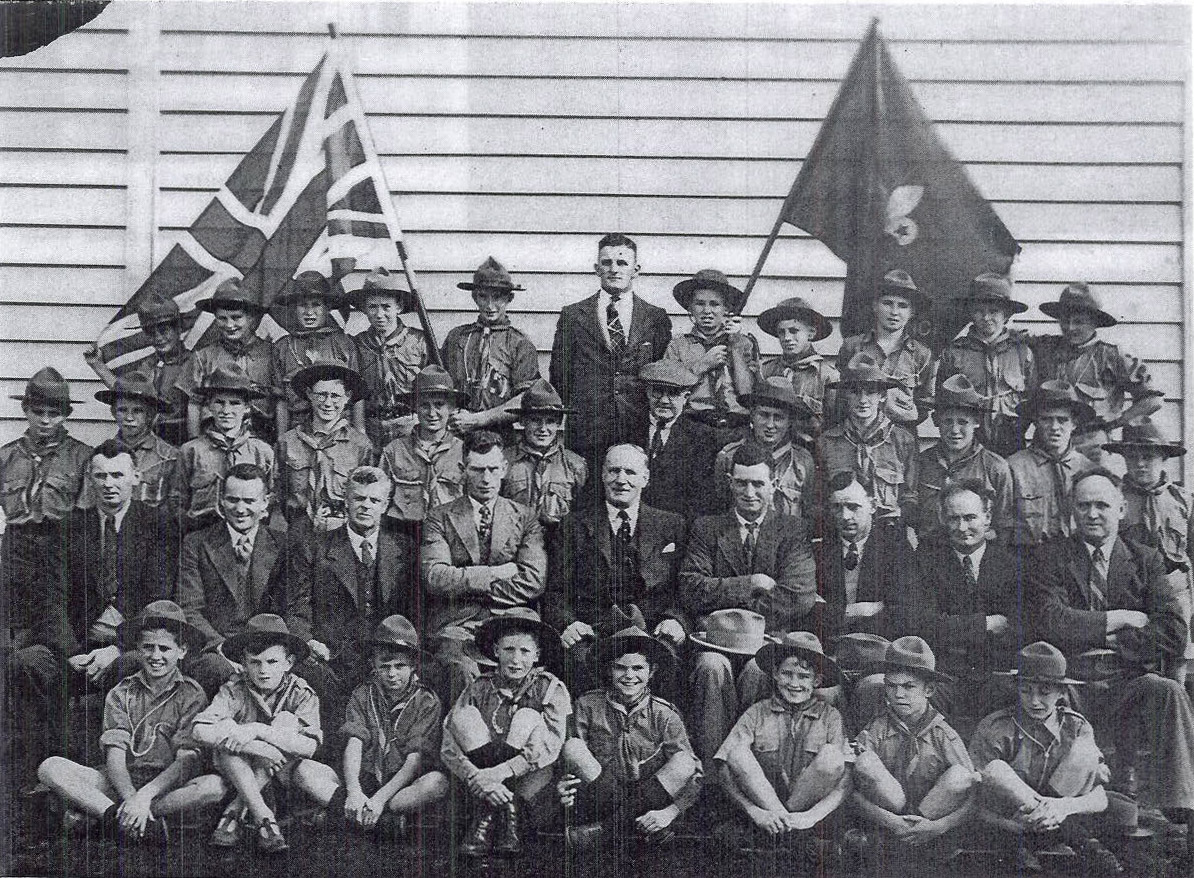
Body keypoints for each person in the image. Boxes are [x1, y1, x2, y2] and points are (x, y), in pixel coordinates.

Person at [1030, 468, 1194, 865]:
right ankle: (1051, 828)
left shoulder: (1146, 559)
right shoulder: (1051, 557)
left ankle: (1184, 814)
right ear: (1071, 511)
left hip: (1126, 680)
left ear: (1121, 509)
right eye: (1083, 505)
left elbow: (1172, 631)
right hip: (1068, 681)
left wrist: (1104, 639)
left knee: (1168, 690)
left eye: (1102, 505)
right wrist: (1118, 619)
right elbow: (1049, 621)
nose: (1093, 513)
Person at [12, 441, 180, 784]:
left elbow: (158, 596)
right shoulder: (68, 527)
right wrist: (73, 653)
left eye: (117, 474)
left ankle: (117, 776)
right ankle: (44, 769)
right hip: (73, 644)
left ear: (135, 477)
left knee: (134, 665)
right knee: (27, 664)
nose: (109, 483)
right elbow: (51, 599)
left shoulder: (158, 524)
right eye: (100, 475)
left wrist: (117, 647)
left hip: (129, 644)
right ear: (90, 479)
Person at [37, 601, 223, 842]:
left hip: (166, 786)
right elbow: (114, 755)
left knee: (214, 787)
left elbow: (186, 761)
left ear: (182, 651)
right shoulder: (122, 692)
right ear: (137, 648)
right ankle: (138, 825)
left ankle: (108, 819)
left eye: (165, 649)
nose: (156, 656)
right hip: (121, 783)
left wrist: (144, 797)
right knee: (51, 767)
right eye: (148, 647)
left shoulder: (192, 694)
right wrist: (131, 798)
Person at [680, 442, 817, 761]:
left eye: (758, 483)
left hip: (769, 641)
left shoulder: (793, 530)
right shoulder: (707, 528)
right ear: (729, 483)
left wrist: (727, 613)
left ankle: (752, 766)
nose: (749, 491)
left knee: (760, 669)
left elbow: (797, 598)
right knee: (711, 667)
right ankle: (714, 773)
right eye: (741, 482)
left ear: (773, 485)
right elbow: (690, 588)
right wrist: (750, 583)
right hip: (715, 644)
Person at [970, 641, 1122, 876]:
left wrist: (1061, 807)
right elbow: (975, 802)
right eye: (1026, 691)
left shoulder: (1076, 727)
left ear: (1062, 692)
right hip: (1008, 824)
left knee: (1085, 755)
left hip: (1061, 819)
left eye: (1044, 692)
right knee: (996, 769)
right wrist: (1019, 823)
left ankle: (1063, 842)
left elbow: (1099, 797)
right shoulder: (995, 728)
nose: (1034, 701)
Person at [283, 466, 416, 731]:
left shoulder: (404, 549)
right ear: (346, 501)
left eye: (374, 500)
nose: (366, 506)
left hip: (386, 656)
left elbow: (414, 611)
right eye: (359, 498)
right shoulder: (314, 547)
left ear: (386, 505)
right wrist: (309, 641)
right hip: (333, 658)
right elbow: (297, 607)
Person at [547, 444, 687, 692]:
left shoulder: (671, 525)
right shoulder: (574, 525)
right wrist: (568, 623)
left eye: (630, 473)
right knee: (578, 661)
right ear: (602, 475)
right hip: (594, 630)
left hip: (652, 628)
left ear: (646, 478)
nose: (621, 480)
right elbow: (556, 591)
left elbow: (683, 587)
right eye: (613, 471)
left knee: (668, 659)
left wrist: (677, 620)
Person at [292, 615, 448, 838]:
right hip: (364, 778)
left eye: (400, 666)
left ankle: (340, 818)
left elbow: (415, 760)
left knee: (437, 783)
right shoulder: (363, 694)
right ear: (373, 665)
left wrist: (379, 799)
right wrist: (354, 791)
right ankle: (386, 824)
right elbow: (354, 743)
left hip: (398, 786)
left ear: (414, 666)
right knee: (303, 770)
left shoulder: (426, 701)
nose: (392, 674)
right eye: (384, 666)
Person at [421, 430, 546, 700]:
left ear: (504, 469)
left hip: (512, 620)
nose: (486, 479)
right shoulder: (439, 518)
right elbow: (435, 577)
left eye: (492, 469)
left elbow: (533, 582)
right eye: (477, 470)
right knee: (461, 669)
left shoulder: (525, 518)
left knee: (521, 666)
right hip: (457, 624)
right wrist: (495, 573)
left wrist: (466, 582)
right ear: (463, 469)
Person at [559, 624, 701, 854]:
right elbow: (573, 761)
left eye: (638, 668)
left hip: (651, 799)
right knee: (573, 746)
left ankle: (605, 831)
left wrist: (669, 813)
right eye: (620, 668)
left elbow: (695, 774)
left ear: (651, 671)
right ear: (608, 670)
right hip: (600, 796)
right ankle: (632, 828)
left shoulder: (665, 713)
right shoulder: (587, 705)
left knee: (685, 761)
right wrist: (564, 784)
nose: (629, 676)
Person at [440, 610, 571, 859]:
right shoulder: (479, 686)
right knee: (462, 717)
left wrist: (495, 775)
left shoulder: (550, 687)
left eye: (525, 651)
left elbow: (552, 744)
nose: (516, 659)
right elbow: (448, 742)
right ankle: (501, 811)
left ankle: (492, 816)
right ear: (496, 651)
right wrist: (474, 775)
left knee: (528, 717)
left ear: (537, 655)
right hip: (479, 783)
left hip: (531, 781)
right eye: (509, 649)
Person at [191, 614, 321, 854]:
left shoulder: (301, 692)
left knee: (287, 720)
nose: (263, 671)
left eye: (272, 662)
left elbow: (309, 747)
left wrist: (256, 731)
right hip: (236, 774)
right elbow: (199, 730)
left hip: (280, 780)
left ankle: (236, 810)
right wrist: (252, 746)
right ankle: (265, 817)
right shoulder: (234, 690)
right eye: (255, 662)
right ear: (243, 662)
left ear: (288, 662)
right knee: (228, 729)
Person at [712, 632, 848, 853]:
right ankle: (786, 833)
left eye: (803, 676)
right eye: (787, 674)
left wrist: (812, 817)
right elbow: (724, 765)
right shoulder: (757, 712)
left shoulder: (830, 716)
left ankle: (787, 834)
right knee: (736, 752)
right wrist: (755, 811)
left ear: (817, 681)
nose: (794, 683)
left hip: (806, 813)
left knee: (833, 756)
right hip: (765, 806)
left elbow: (846, 779)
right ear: (775, 674)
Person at [549, 233, 671, 472]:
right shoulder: (573, 316)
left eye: (622, 263)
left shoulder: (655, 318)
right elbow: (559, 376)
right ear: (597, 268)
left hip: (637, 427)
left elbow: (661, 375)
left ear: (636, 269)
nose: (614, 269)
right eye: (607, 263)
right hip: (587, 430)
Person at [851, 636, 977, 865]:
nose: (899, 695)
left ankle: (920, 845)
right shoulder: (876, 728)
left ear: (929, 689)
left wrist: (936, 827)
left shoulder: (944, 735)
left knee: (961, 776)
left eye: (909, 687)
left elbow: (973, 797)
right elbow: (850, 789)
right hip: (887, 818)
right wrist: (890, 821)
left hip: (930, 820)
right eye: (891, 686)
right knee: (865, 761)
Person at [910, 480, 1023, 726]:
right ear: (943, 519)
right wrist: (985, 624)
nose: (962, 527)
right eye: (953, 519)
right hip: (942, 675)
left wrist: (954, 627)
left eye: (970, 517)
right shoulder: (925, 561)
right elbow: (922, 625)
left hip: (995, 674)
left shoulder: (1011, 564)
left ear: (987, 517)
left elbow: (1016, 628)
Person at [0, 367, 92, 649]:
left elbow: (85, 512)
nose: (46, 420)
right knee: (14, 633)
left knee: (59, 628)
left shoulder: (82, 456)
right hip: (16, 549)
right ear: (25, 410)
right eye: (38, 412)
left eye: (54, 413)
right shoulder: (6, 456)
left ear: (66, 415)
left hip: (61, 546)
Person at [177, 464, 286, 697]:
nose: (240, 509)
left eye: (249, 501)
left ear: (265, 502)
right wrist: (222, 647)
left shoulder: (283, 545)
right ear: (220, 502)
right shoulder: (196, 544)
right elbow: (190, 609)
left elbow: (291, 606)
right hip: (216, 648)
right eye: (232, 500)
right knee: (216, 671)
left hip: (267, 648)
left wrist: (266, 655)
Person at [1103, 419, 1194, 685]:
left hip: (1175, 590)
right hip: (1133, 589)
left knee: (1176, 653)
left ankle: (1176, 705)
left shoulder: (1183, 502)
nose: (1140, 464)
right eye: (1133, 457)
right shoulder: (1114, 499)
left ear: (1164, 459)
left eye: (1148, 457)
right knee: (1136, 654)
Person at [1032, 282, 1163, 466]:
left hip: (1091, 444)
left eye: (1078, 322)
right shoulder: (1045, 347)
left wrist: (1116, 420)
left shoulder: (1113, 355)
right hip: (1047, 443)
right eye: (1064, 321)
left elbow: (1152, 400)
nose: (1070, 328)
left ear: (1094, 323)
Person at [933, 272, 1036, 456]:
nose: (986, 317)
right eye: (979, 311)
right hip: (968, 446)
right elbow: (943, 402)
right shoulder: (954, 353)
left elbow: (1032, 401)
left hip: (1012, 444)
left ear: (1006, 315)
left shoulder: (1022, 352)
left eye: (994, 311)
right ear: (971, 314)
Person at [442, 257, 540, 435]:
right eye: (483, 296)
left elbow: (525, 400)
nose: (489, 305)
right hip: (455, 435)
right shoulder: (457, 337)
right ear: (474, 297)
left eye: (497, 297)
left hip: (500, 436)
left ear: (509, 298)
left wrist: (478, 419)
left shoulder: (520, 343)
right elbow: (438, 389)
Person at [818, 352, 919, 524]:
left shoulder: (902, 440)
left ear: (882, 396)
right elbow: (820, 496)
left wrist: (899, 516)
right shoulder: (827, 441)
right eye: (855, 392)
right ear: (844, 396)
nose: (863, 400)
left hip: (888, 532)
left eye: (871, 392)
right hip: (843, 529)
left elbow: (911, 496)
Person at [915, 374, 1015, 544]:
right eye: (947, 421)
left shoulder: (995, 467)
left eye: (963, 422)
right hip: (929, 557)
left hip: (977, 557)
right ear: (936, 421)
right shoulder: (921, 463)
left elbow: (1004, 526)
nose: (954, 430)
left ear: (976, 422)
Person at [817, 471, 914, 644]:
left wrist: (836, 615)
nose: (845, 516)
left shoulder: (895, 546)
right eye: (837, 507)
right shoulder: (819, 548)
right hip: (828, 645)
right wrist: (860, 610)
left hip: (878, 645)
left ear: (873, 505)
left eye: (853, 507)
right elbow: (810, 610)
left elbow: (901, 609)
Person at [274, 361, 373, 531]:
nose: (328, 403)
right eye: (321, 394)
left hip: (341, 533)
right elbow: (278, 494)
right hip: (297, 531)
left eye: (335, 396)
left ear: (347, 397)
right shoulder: (287, 442)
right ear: (309, 394)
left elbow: (367, 496)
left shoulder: (360, 445)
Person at [85, 292, 192, 446]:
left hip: (178, 443)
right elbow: (128, 392)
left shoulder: (194, 363)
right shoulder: (148, 365)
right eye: (151, 333)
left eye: (164, 330)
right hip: (141, 440)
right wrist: (97, 365)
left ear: (178, 329)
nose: (158, 338)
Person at [178, 362, 275, 531]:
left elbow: (270, 499)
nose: (226, 410)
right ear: (208, 405)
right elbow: (178, 500)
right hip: (201, 532)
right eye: (219, 402)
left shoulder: (262, 452)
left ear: (247, 407)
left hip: (247, 533)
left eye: (235, 403)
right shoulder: (191, 451)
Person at [175, 278, 275, 442]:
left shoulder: (271, 354)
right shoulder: (203, 357)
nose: (229, 325)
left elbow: (280, 402)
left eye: (236, 317)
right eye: (222, 318)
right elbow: (194, 405)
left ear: (251, 319)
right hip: (214, 441)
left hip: (260, 441)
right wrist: (195, 443)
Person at [663, 268, 760, 431]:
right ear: (690, 308)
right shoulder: (678, 345)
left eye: (715, 304)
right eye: (700, 304)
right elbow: (670, 392)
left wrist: (735, 345)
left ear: (726, 309)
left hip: (736, 426)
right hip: (693, 425)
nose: (707, 311)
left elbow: (747, 393)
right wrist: (702, 365)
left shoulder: (744, 343)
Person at [837, 269, 934, 431]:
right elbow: (841, 396)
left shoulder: (921, 354)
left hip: (902, 437)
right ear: (875, 306)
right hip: (859, 434)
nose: (894, 312)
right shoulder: (852, 346)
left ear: (912, 313)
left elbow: (923, 404)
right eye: (887, 303)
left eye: (903, 306)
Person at [270, 271, 362, 437]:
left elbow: (357, 394)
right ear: (293, 308)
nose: (309, 312)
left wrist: (359, 431)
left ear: (327, 308)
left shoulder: (344, 344)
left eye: (316, 305)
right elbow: (281, 400)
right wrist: (282, 437)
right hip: (297, 428)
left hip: (337, 427)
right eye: (303, 305)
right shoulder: (282, 347)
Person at [349, 267, 432, 448]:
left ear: (399, 307)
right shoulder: (357, 344)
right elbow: (355, 391)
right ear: (364, 309)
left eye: (386, 307)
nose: (379, 314)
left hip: (410, 423)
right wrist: (360, 431)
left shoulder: (419, 341)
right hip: (371, 425)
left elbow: (432, 387)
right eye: (372, 307)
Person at [1007, 380, 1096, 548]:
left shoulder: (1089, 470)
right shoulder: (1013, 468)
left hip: (1076, 561)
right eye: (1046, 419)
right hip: (1030, 561)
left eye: (1062, 420)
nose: (1054, 427)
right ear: (1035, 421)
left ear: (1074, 424)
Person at [378, 364, 465, 536]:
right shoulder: (394, 451)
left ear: (452, 408)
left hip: (449, 534)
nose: (432, 413)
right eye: (424, 405)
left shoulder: (463, 450)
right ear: (415, 407)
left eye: (439, 405)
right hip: (402, 535)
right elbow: (380, 500)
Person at [713, 378, 817, 521]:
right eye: (764, 415)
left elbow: (808, 514)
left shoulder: (802, 461)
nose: (770, 425)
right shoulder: (729, 457)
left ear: (789, 422)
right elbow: (719, 514)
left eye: (779, 417)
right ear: (752, 416)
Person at [86, 375, 181, 518]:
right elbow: (88, 504)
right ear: (113, 413)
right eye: (122, 410)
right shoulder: (100, 458)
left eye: (137, 411)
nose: (129, 418)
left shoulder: (169, 458)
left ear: (150, 415)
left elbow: (175, 509)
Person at [638, 360, 719, 521]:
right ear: (647, 393)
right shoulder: (625, 429)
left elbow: (701, 501)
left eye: (673, 393)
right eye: (657, 392)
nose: (664, 401)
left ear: (685, 397)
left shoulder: (703, 438)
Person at [501, 377, 588, 528]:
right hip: (514, 539)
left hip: (560, 541)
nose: (543, 428)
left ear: (559, 423)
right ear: (522, 421)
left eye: (550, 421)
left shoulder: (575, 465)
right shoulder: (504, 461)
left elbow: (582, 514)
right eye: (535, 420)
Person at [757, 295, 839, 433]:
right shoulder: (766, 370)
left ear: (811, 333)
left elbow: (833, 424)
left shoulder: (828, 376)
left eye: (794, 331)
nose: (787, 338)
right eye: (781, 332)